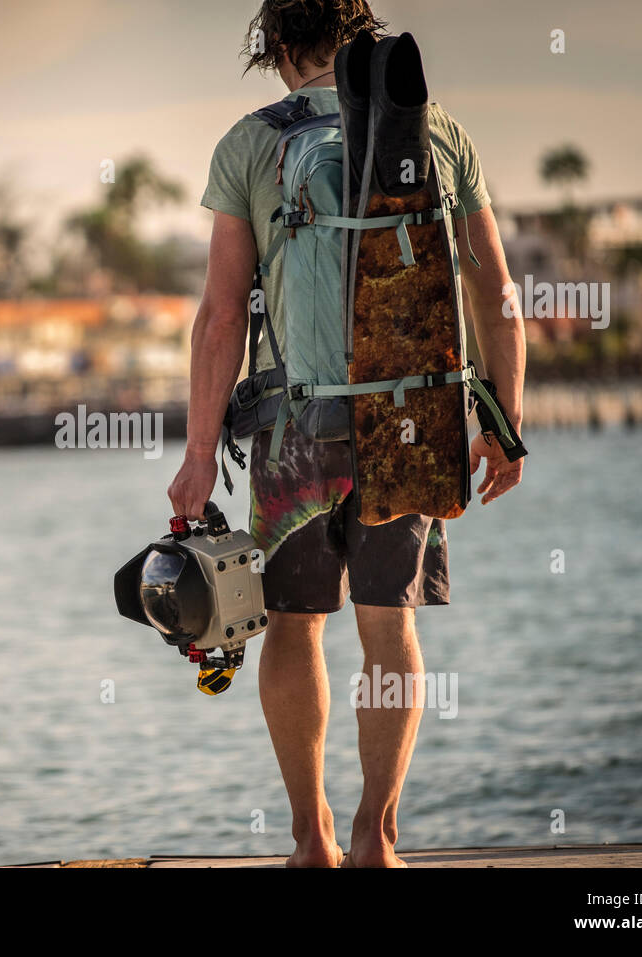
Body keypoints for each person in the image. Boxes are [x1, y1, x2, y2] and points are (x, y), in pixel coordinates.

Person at [167, 0, 526, 868]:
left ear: (282, 49)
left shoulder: (252, 142)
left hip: (300, 430)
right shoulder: (436, 130)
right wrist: (503, 424)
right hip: (413, 417)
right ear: (362, 36)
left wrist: (198, 453)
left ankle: (310, 839)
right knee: (388, 623)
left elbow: (221, 317)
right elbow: (500, 299)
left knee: (293, 624)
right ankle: (379, 836)